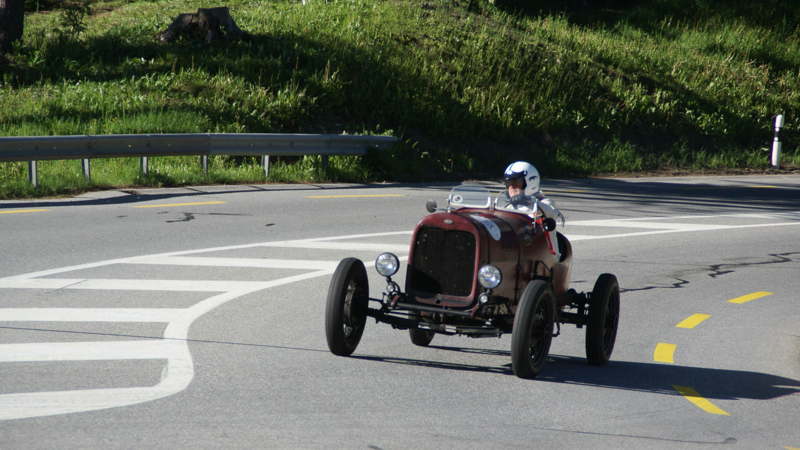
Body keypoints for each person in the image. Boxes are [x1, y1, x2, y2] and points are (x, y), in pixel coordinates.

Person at [503, 161, 565, 259]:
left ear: (530, 182)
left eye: (515, 183)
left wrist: (528, 201)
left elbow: (552, 213)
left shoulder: (544, 202)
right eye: (509, 184)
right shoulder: (508, 207)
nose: (511, 188)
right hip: (520, 256)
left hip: (547, 259)